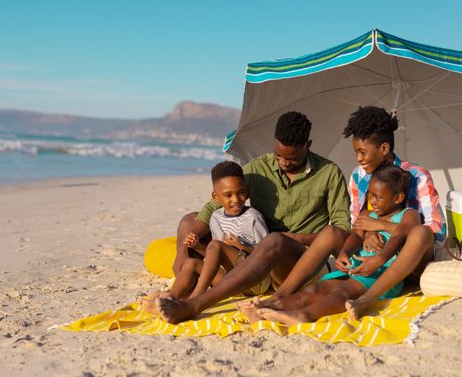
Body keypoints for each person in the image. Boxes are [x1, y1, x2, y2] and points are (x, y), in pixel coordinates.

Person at [155, 110, 350, 323]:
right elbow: (213, 205)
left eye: (291, 158)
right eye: (278, 156)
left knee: (274, 240)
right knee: (190, 220)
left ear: (308, 145)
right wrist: (182, 249)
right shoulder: (258, 169)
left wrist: (298, 238)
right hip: (258, 259)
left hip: (300, 261)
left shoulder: (329, 173)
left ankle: (196, 304)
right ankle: (182, 292)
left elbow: (341, 228)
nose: (283, 162)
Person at [251, 103, 446, 307]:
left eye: (362, 152)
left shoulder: (417, 175)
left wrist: (380, 227)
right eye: (356, 152)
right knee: (330, 233)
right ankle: (279, 296)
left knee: (421, 233)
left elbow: (435, 231)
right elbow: (357, 222)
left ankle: (367, 297)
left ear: (384, 148)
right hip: (370, 253)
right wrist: (367, 232)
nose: (358, 159)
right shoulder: (358, 177)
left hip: (408, 260)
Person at [240, 164, 418, 325]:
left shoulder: (408, 215)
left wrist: (378, 232)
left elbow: (401, 234)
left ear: (398, 198)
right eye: (370, 195)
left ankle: (304, 315)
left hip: (379, 273)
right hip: (355, 267)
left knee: (342, 293)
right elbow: (355, 235)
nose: (372, 201)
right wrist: (344, 253)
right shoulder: (367, 215)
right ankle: (269, 307)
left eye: (378, 197)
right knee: (315, 289)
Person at [140, 161, 267, 312]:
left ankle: (195, 299)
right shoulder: (216, 217)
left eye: (241, 193)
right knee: (191, 263)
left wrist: (242, 246)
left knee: (215, 245)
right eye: (228, 195)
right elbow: (215, 254)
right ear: (216, 197)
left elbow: (266, 254)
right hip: (229, 281)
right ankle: (171, 297)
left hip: (255, 281)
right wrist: (197, 246)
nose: (236, 199)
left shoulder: (253, 217)